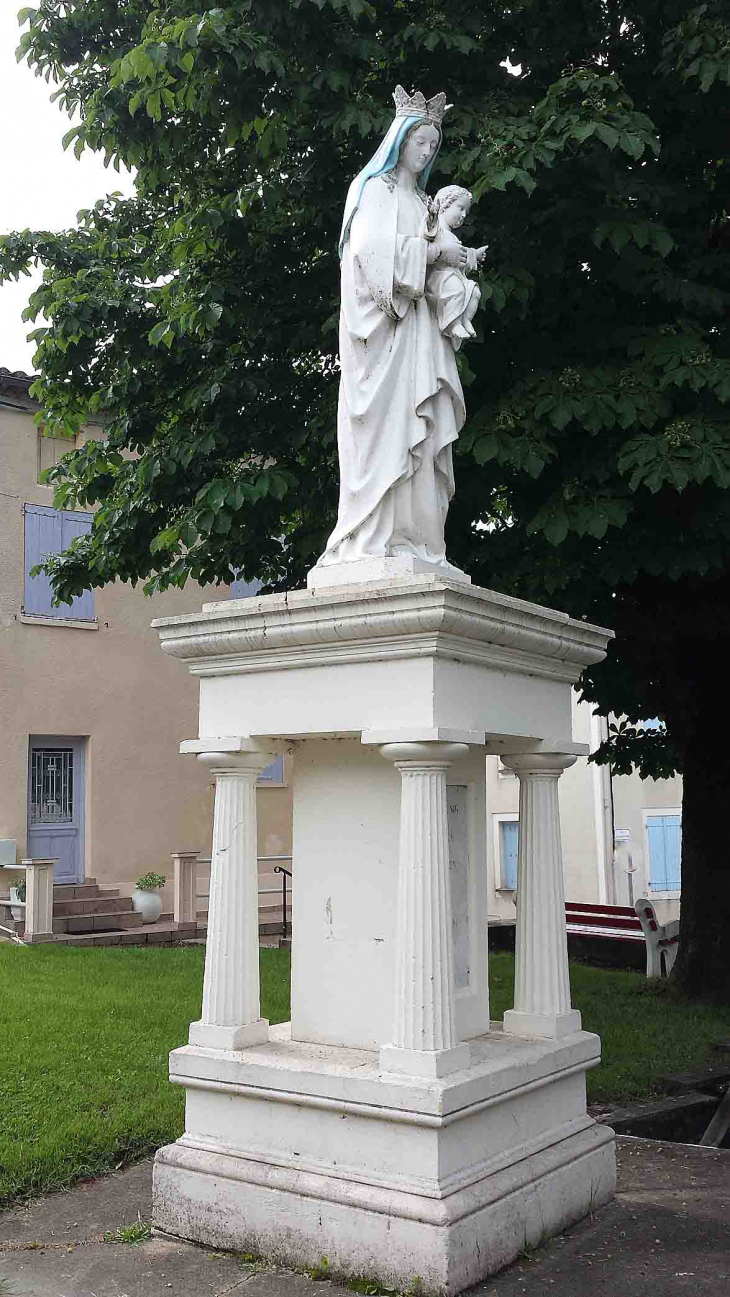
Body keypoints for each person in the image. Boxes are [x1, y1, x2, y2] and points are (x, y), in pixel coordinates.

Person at [314, 87, 471, 576]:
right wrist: (433, 255)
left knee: (422, 437)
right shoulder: (374, 191)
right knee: (386, 432)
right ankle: (374, 533)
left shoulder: (425, 201)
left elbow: (441, 261)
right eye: (419, 141)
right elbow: (369, 255)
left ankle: (418, 539)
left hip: (420, 331)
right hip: (385, 332)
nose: (426, 152)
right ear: (400, 141)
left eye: (432, 144)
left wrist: (454, 279)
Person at [426, 186, 487, 346]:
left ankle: (464, 319)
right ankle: (452, 324)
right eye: (460, 208)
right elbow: (426, 235)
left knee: (474, 292)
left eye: (466, 212)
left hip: (453, 276)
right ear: (444, 204)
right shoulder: (436, 228)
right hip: (439, 278)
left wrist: (474, 254)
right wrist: (431, 215)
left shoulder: (452, 236)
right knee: (458, 289)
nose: (464, 215)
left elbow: (460, 255)